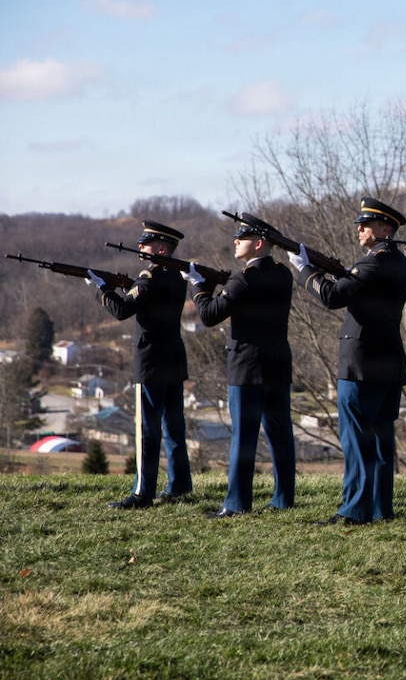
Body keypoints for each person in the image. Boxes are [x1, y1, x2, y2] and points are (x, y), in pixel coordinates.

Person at [289, 198, 406, 526]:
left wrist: (304, 271)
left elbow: (331, 297)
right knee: (381, 440)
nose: (359, 228)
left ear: (386, 229)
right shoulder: (398, 262)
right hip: (388, 362)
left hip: (362, 364)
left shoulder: (372, 263)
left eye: (367, 224)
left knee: (356, 440)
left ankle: (354, 511)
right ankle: (379, 508)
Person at [186, 214, 296, 517]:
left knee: (243, 439)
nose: (235, 241)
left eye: (242, 238)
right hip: (278, 365)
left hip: (247, 369)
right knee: (281, 436)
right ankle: (284, 498)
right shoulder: (283, 274)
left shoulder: (242, 278)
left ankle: (236, 504)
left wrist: (198, 286)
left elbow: (209, 315)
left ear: (259, 243)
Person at [89, 221, 193, 509]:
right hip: (173, 359)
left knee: (147, 430)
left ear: (161, 248)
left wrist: (101, 290)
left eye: (145, 244)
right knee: (173, 426)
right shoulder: (177, 275)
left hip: (150, 362)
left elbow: (121, 310)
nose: (140, 247)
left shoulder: (150, 277)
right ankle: (179, 484)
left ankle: (142, 493)